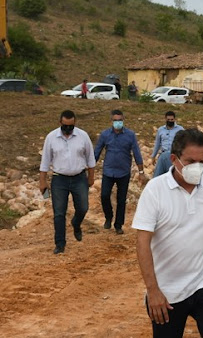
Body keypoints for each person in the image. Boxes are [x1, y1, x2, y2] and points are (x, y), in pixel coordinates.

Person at [133, 129, 203, 337]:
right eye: (190, 162)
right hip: (168, 292)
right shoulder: (154, 191)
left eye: (201, 162)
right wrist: (153, 291)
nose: (197, 168)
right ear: (174, 159)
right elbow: (142, 243)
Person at [39, 110, 96, 254]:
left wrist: (91, 177)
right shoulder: (51, 137)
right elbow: (45, 161)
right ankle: (60, 244)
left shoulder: (83, 136)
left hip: (79, 178)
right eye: (65, 126)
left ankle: (76, 224)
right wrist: (42, 181)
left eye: (71, 127)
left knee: (83, 207)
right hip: (59, 179)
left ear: (74, 124)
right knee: (59, 213)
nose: (68, 130)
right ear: (60, 123)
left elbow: (90, 158)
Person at [94, 109, 145, 235]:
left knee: (121, 200)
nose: (118, 123)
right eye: (115, 120)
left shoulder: (130, 135)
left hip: (123, 172)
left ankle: (118, 225)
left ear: (123, 120)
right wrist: (90, 168)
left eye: (120, 120)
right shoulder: (105, 134)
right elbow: (97, 151)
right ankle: (108, 217)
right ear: (111, 121)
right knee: (105, 195)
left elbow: (137, 153)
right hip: (108, 171)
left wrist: (141, 171)